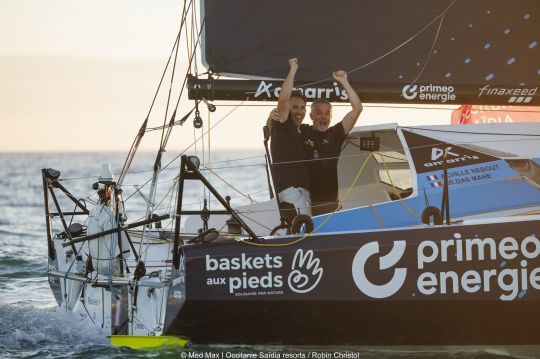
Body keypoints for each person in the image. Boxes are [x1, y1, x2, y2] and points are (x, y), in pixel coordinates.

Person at [303, 70, 363, 216]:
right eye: (318, 112)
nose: (323, 116)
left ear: (331, 116)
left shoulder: (335, 134)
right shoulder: (302, 131)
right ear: (310, 115)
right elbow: (283, 118)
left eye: (327, 112)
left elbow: (357, 109)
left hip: (329, 205)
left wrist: (344, 82)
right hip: (304, 204)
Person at [267, 58, 311, 216]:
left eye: (303, 108)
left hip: (302, 193)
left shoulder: (301, 130)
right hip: (291, 193)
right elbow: (283, 99)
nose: (300, 112)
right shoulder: (282, 123)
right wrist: (293, 69)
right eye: (295, 108)